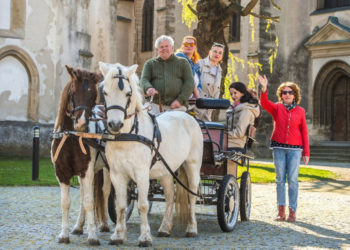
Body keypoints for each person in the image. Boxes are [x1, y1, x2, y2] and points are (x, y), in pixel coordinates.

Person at [258, 74, 310, 222]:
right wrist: (264, 88)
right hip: (279, 147)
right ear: (281, 95)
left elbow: (304, 132)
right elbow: (264, 103)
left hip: (295, 149)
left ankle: (292, 211)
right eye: (284, 92)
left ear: (295, 95)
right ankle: (281, 212)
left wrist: (306, 152)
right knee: (280, 179)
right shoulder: (277, 108)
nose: (287, 94)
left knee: (293, 180)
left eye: (290, 92)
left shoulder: (300, 111)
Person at [141, 35, 194, 114]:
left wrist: (180, 100)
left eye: (166, 46)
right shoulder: (150, 64)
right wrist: (148, 88)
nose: (164, 49)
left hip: (177, 106)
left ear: (172, 48)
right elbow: (144, 79)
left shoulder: (183, 62)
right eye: (161, 47)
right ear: (157, 50)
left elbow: (189, 83)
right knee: (143, 119)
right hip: (155, 105)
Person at [226, 82, 260, 176]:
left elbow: (239, 133)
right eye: (231, 94)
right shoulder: (237, 108)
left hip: (237, 142)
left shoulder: (246, 111)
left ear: (243, 93)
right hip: (231, 140)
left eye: (235, 93)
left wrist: (223, 134)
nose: (233, 96)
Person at [195, 42, 225, 121]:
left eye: (220, 53)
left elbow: (217, 90)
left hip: (209, 108)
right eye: (215, 51)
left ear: (221, 56)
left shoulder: (219, 70)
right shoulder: (200, 64)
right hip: (197, 106)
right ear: (210, 52)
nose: (217, 54)